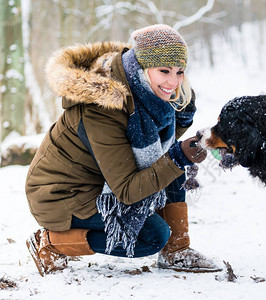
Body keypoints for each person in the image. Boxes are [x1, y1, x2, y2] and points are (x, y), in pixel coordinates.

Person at [25, 24, 221, 276]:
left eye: (179, 71)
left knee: (174, 163)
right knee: (151, 236)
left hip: (103, 179)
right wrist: (178, 155)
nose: (173, 81)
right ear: (142, 66)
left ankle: (177, 251)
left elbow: (154, 147)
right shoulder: (103, 107)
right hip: (62, 195)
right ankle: (51, 242)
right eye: (164, 71)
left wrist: (181, 127)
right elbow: (128, 190)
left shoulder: (145, 92)